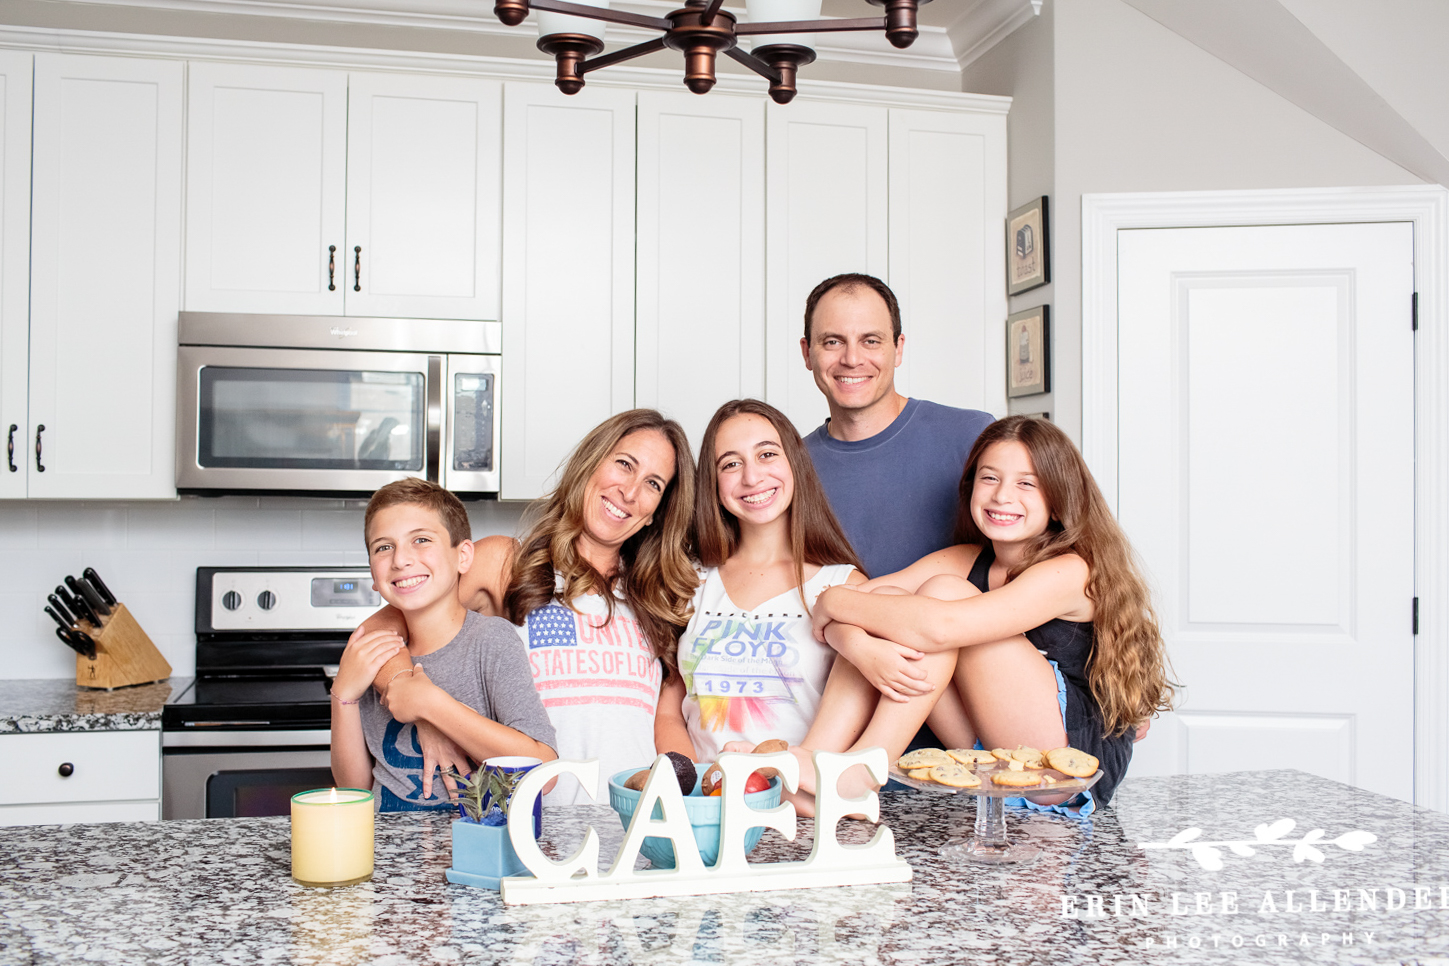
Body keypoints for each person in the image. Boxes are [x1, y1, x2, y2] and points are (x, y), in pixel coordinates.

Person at [791, 416, 1175, 814]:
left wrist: (837, 605)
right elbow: (846, 603)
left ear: (1059, 499)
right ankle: (814, 756)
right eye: (989, 478)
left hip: (1065, 767)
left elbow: (937, 627)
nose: (1002, 496)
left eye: (1026, 483)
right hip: (987, 755)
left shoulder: (1069, 571)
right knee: (893, 600)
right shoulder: (966, 560)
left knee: (941, 598)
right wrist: (857, 643)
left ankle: (865, 768)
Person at [362, 409, 699, 806]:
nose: (629, 492)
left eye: (653, 484)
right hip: (529, 828)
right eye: (624, 464)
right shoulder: (505, 563)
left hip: (633, 827)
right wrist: (420, 709)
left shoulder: (664, 598)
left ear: (655, 513)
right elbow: (376, 633)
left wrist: (690, 803)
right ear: (589, 465)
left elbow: (665, 725)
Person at [330, 479, 558, 810]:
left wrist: (431, 705)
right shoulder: (373, 655)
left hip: (477, 855)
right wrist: (342, 697)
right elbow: (355, 789)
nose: (400, 560)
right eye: (383, 547)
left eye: (421, 540)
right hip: (390, 854)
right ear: (372, 572)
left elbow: (544, 773)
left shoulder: (490, 641)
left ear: (463, 556)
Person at [679, 399, 866, 760]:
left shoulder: (845, 585)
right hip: (705, 801)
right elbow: (667, 707)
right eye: (731, 464)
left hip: (799, 804)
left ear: (794, 462)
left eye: (766, 455)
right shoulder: (689, 580)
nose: (752, 477)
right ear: (713, 484)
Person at [799, 272, 994, 580]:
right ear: (807, 353)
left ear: (898, 348)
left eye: (870, 341)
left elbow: (1043, 553)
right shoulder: (787, 467)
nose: (852, 358)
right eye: (833, 341)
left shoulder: (973, 436)